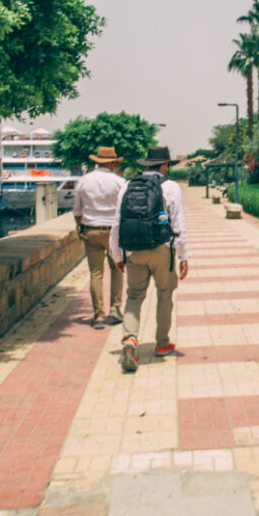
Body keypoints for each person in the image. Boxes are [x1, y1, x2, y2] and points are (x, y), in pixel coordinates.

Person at [110, 146, 188, 371]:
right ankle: (162, 343)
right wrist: (183, 256)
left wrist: (117, 253)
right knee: (165, 294)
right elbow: (178, 223)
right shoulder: (171, 187)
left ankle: (130, 339)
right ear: (164, 166)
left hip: (133, 249)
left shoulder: (127, 185)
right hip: (162, 249)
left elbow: (117, 221)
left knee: (134, 295)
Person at [73, 146, 127, 329]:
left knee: (95, 273)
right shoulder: (120, 182)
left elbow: (77, 210)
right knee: (117, 268)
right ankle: (115, 307)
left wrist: (80, 226)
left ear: (97, 161)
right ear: (112, 163)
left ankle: (98, 316)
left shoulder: (84, 181)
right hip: (113, 231)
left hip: (92, 229)